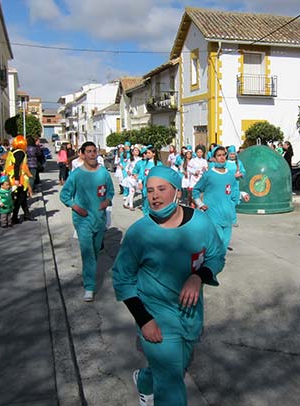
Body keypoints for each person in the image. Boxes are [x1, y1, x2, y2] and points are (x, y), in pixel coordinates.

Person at [112, 165, 226, 406]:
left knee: (174, 367)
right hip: (155, 314)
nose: (154, 196)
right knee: (171, 385)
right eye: (150, 190)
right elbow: (122, 278)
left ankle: (145, 380)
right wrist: (144, 319)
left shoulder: (201, 222)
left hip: (190, 313)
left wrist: (198, 277)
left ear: (177, 192)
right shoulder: (139, 233)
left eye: (161, 189)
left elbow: (216, 256)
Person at [60, 141, 114, 302]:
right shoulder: (76, 174)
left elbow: (110, 191)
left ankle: (88, 273)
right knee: (88, 253)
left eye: (94, 151)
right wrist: (76, 207)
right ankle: (89, 287)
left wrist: (107, 201)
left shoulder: (103, 172)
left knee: (95, 251)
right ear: (82, 154)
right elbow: (64, 195)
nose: (92, 154)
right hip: (82, 219)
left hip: (99, 219)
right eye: (88, 151)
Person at [193, 145, 238, 250]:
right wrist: (200, 204)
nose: (222, 157)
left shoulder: (230, 175)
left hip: (227, 215)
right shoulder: (208, 175)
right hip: (213, 214)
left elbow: (234, 192)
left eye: (223, 155)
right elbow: (196, 190)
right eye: (219, 155)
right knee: (218, 241)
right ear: (213, 158)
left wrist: (242, 195)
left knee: (225, 244)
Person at [4, 135, 34, 224]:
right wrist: (17, 179)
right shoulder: (20, 152)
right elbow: (17, 166)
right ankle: (14, 217)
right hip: (18, 178)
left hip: (12, 177)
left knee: (22, 197)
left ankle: (26, 215)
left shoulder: (12, 151)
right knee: (20, 197)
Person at [226, 145, 246, 227]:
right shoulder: (225, 163)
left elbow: (243, 172)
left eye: (233, 154)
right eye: (231, 154)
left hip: (235, 185)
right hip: (227, 186)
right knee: (228, 202)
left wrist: (240, 174)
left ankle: (232, 220)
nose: (232, 156)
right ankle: (231, 220)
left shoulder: (238, 163)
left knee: (234, 202)